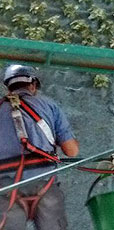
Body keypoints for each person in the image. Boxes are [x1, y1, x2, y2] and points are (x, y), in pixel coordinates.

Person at [0, 64, 79, 230]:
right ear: (33, 85)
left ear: (8, 88)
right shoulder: (49, 106)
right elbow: (72, 151)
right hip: (45, 182)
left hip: (6, 187)